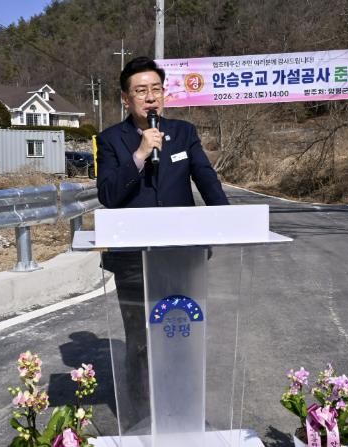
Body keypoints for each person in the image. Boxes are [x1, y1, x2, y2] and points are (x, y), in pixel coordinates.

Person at [96, 56, 228, 431]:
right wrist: (140, 154)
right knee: (140, 342)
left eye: (156, 89)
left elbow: (206, 179)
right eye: (141, 91)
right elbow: (108, 195)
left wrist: (227, 220)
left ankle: (185, 413)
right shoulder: (111, 140)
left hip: (182, 256)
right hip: (132, 260)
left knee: (183, 333)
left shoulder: (183, 133)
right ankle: (144, 422)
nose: (150, 97)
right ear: (126, 99)